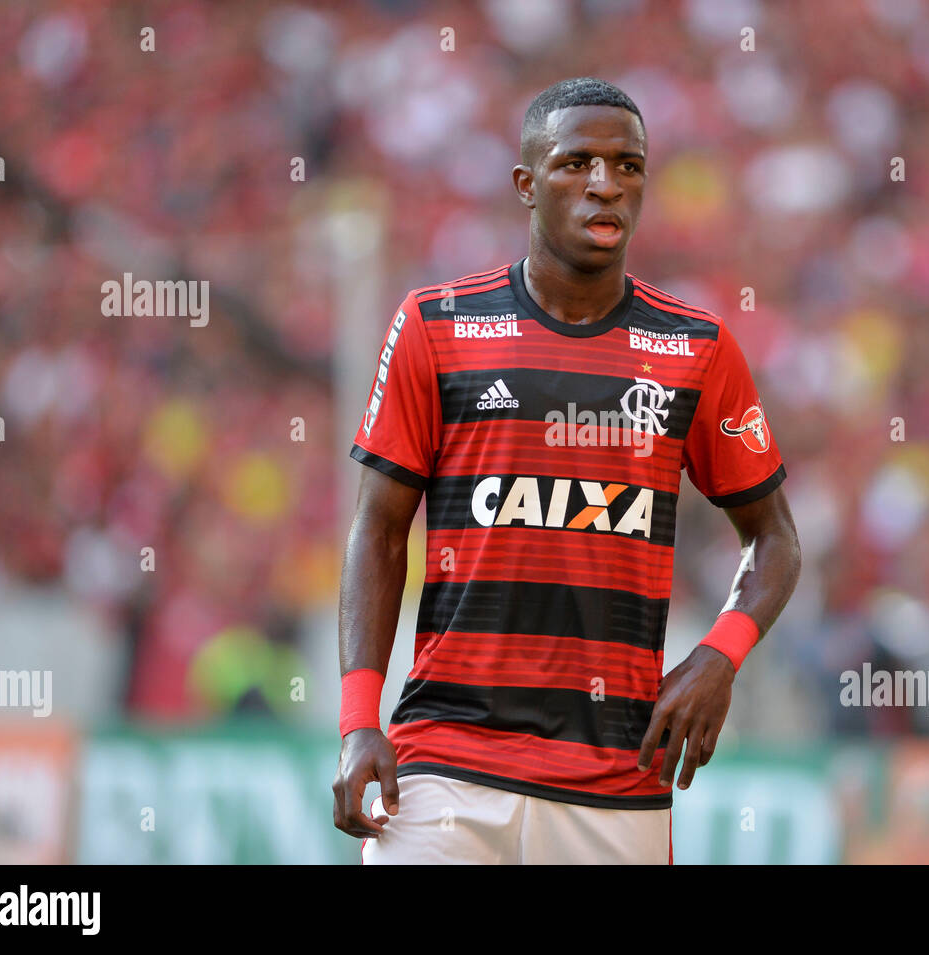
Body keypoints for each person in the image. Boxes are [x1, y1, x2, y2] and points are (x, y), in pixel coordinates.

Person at [331, 77, 801, 864]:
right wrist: (355, 721)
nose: (604, 184)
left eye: (627, 165)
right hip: (446, 768)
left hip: (615, 783)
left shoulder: (696, 348)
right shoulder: (436, 326)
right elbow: (378, 530)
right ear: (526, 183)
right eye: (576, 162)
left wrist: (721, 655)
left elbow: (775, 539)